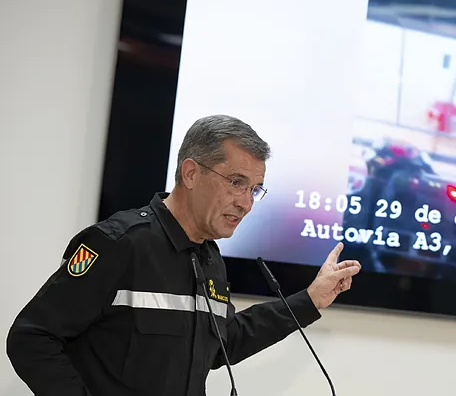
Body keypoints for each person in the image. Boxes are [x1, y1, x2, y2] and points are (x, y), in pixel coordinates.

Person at [6, 115, 361, 396]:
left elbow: (224, 342)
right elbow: (32, 337)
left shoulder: (209, 258)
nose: (246, 202)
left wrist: (310, 300)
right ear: (191, 173)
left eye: (255, 189)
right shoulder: (118, 243)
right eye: (236, 182)